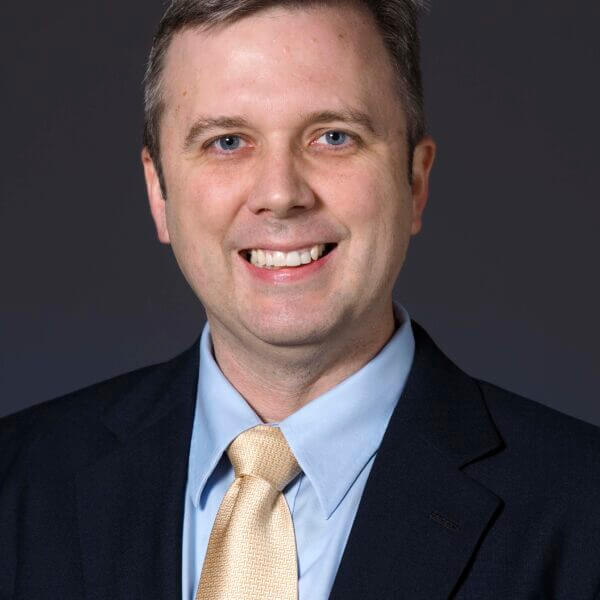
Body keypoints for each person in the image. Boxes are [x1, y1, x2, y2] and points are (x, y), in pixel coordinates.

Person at [1, 0, 599, 598]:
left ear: (415, 181)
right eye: (227, 141)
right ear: (159, 193)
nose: (281, 193)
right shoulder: (18, 482)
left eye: (334, 137)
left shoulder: (583, 509)